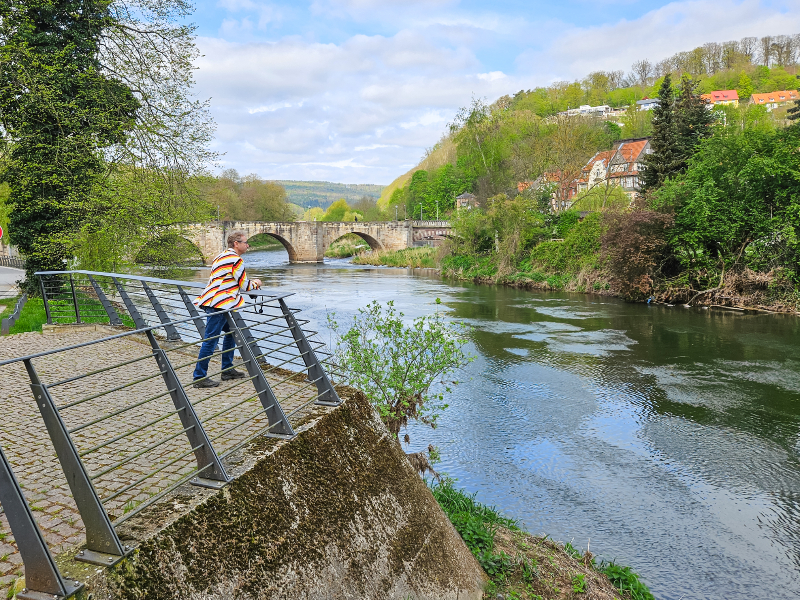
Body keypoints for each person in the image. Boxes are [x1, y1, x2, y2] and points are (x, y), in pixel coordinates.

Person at [192, 232, 262, 388]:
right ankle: (199, 377)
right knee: (210, 340)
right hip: (220, 304)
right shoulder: (236, 260)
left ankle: (228, 370)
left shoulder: (221, 256)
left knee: (231, 333)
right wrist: (257, 282)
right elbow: (246, 286)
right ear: (236, 244)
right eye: (245, 242)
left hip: (212, 301)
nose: (247, 245)